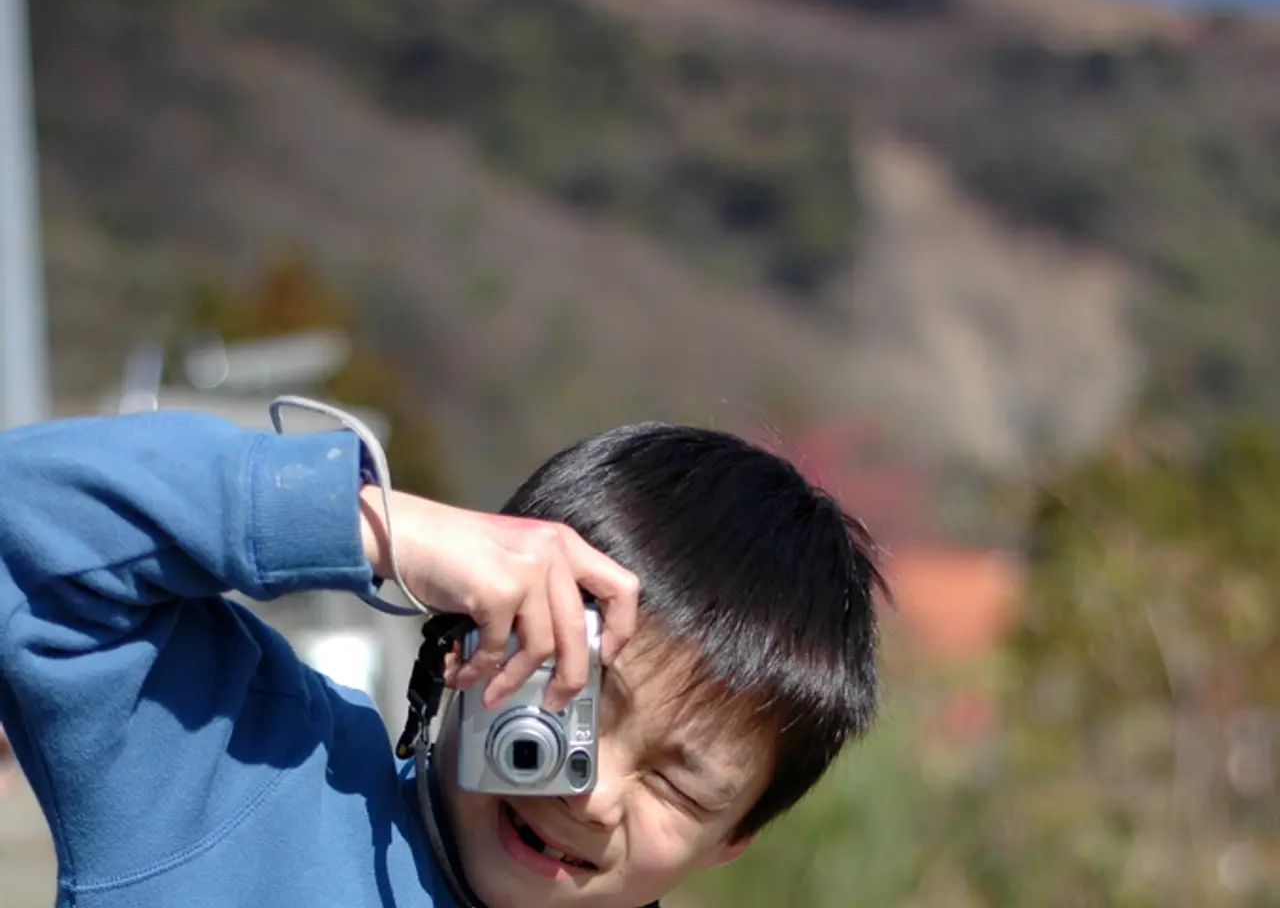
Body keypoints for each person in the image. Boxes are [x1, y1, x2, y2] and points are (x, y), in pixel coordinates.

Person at [0, 406, 886, 907]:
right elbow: (24, 527)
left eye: (679, 788)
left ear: (733, 839)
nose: (591, 790)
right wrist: (379, 527)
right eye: (569, 694)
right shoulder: (237, 778)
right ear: (467, 637)